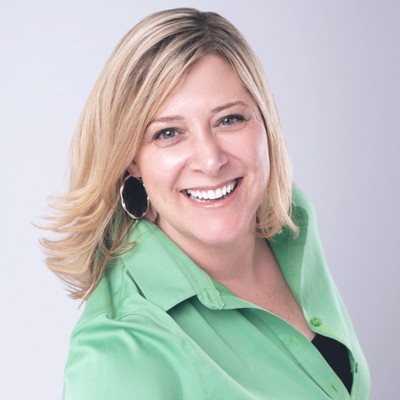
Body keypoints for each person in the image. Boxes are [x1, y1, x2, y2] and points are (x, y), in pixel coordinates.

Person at [42, 8, 370, 399]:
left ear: (264, 121)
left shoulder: (290, 222)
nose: (211, 160)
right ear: (131, 159)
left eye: (229, 120)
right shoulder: (121, 350)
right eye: (168, 133)